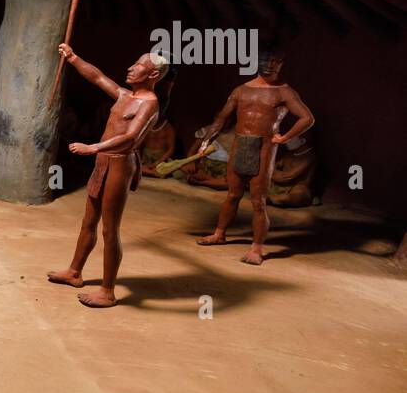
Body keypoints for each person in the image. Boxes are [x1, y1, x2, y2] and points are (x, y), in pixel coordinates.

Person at [47, 45, 168, 307]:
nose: (131, 68)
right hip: (103, 162)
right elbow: (97, 77)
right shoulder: (125, 95)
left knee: (110, 229)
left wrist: (93, 147)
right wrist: (73, 58)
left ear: (154, 75)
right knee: (87, 222)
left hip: (120, 164)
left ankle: (108, 290)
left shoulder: (149, 104)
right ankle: (75, 271)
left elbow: (129, 137)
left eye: (138, 65)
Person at [194, 50, 315, 264]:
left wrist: (284, 137)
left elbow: (307, 118)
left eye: (274, 60)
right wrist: (205, 142)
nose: (268, 65)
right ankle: (219, 234)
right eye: (264, 60)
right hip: (239, 144)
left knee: (258, 201)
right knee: (232, 194)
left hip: (263, 147)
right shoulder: (241, 90)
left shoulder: (284, 92)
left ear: (281, 64)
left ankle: (256, 249)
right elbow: (221, 118)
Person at [267, 131, 318, 208]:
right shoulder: (290, 154)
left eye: (290, 138)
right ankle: (273, 199)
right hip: (279, 187)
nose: (286, 141)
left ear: (302, 141)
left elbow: (286, 177)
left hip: (296, 187)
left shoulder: (309, 157)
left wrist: (269, 173)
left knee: (298, 194)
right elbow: (272, 166)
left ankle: (275, 199)